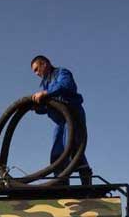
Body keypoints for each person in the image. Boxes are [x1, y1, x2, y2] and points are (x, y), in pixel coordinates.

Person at [30, 55, 93, 185]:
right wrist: (37, 108)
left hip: (72, 117)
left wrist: (46, 93)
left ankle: (86, 185)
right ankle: (61, 185)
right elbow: (51, 106)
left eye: (37, 69)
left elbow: (66, 85)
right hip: (61, 122)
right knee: (57, 154)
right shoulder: (46, 83)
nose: (36, 74)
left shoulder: (61, 73)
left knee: (73, 150)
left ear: (45, 64)